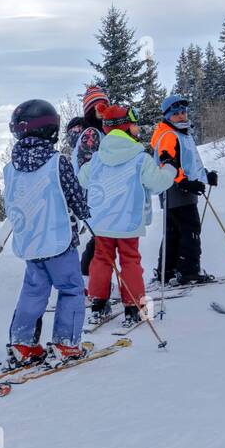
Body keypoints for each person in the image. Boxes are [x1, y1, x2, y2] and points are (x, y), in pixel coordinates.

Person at [0, 99, 91, 368]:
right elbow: (74, 195)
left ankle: (22, 343)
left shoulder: (11, 168)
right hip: (58, 241)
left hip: (30, 241)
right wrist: (84, 212)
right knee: (71, 288)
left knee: (34, 290)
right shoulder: (57, 162)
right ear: (49, 130)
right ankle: (66, 342)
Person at [77, 105, 177, 329]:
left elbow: (82, 179)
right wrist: (170, 169)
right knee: (130, 260)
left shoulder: (98, 159)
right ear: (124, 127)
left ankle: (98, 303)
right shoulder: (139, 158)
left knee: (101, 260)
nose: (137, 128)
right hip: (128, 221)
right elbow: (158, 183)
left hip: (102, 223)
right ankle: (133, 306)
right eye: (133, 125)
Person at [150, 93, 219, 285]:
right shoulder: (169, 135)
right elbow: (168, 164)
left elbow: (190, 164)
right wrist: (185, 182)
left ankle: (167, 271)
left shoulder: (181, 134)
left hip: (180, 189)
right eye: (176, 113)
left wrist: (205, 176)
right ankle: (189, 270)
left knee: (174, 231)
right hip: (177, 190)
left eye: (183, 112)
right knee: (190, 229)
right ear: (167, 116)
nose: (181, 116)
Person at [74, 85, 109, 278]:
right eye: (99, 108)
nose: (103, 111)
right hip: (93, 195)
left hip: (98, 193)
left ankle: (90, 279)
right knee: (102, 239)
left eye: (106, 106)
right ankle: (90, 280)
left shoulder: (100, 131)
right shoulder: (91, 133)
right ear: (90, 110)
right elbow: (87, 166)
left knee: (101, 239)